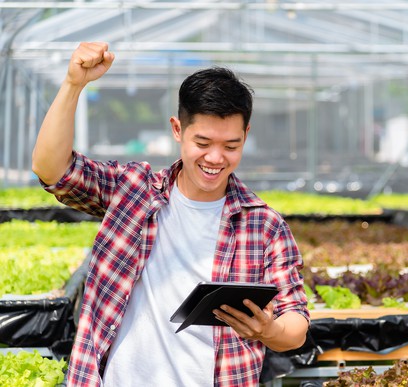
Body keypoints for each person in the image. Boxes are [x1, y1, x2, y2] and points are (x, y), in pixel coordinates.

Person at [32, 41, 310, 386]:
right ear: (177, 129)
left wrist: (270, 329)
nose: (215, 158)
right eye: (203, 143)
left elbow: (296, 325)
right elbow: (51, 169)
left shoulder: (263, 225)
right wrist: (73, 84)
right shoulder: (133, 190)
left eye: (231, 146)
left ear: (246, 136)